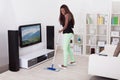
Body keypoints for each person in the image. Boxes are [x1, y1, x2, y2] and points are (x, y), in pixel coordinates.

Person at [58, 4, 75, 69]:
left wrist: (60, 30)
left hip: (67, 33)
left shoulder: (67, 15)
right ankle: (73, 61)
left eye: (63, 10)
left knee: (65, 49)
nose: (62, 12)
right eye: (61, 11)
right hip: (69, 33)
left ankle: (64, 65)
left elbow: (65, 26)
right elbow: (65, 25)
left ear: (66, 9)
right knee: (68, 48)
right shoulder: (68, 15)